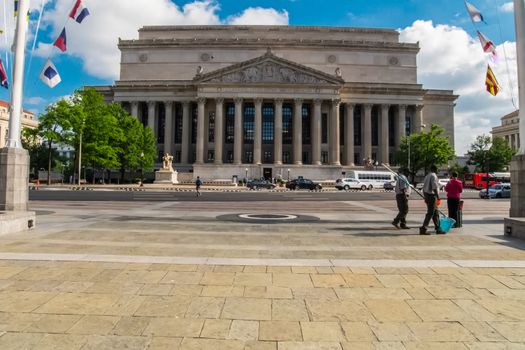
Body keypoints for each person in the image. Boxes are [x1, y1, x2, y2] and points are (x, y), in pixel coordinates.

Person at [419, 165, 445, 235]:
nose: (437, 171)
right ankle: (423, 229)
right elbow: (434, 187)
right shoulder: (433, 176)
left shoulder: (427, 176)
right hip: (432, 196)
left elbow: (424, 188)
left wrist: (425, 197)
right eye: (437, 170)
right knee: (430, 213)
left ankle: (438, 228)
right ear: (434, 169)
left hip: (428, 195)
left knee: (435, 213)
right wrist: (438, 196)